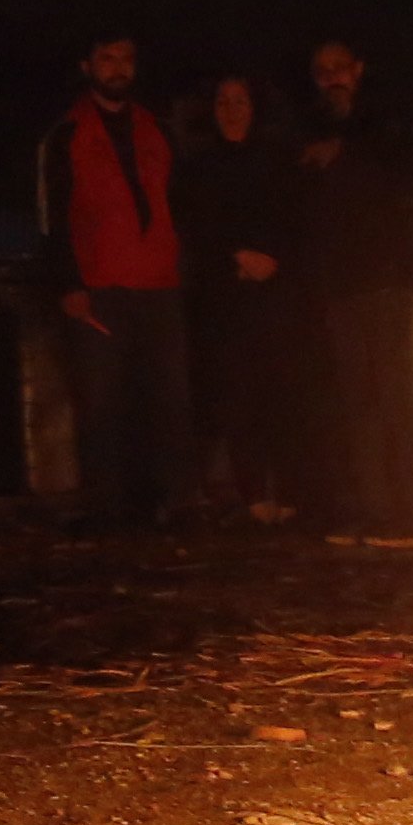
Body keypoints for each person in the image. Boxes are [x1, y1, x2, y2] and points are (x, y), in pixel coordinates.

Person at [35, 32, 195, 526]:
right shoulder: (66, 133)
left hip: (158, 282)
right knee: (102, 403)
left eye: (126, 57)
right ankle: (110, 505)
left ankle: (172, 501)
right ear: (87, 66)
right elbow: (51, 217)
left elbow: (180, 203)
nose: (119, 67)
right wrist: (67, 284)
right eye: (108, 58)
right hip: (99, 284)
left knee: (167, 398)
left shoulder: (157, 130)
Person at [300, 38, 413, 547]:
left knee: (391, 397)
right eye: (322, 70)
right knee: (355, 402)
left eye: (340, 68)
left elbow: (398, 170)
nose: (332, 77)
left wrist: (346, 149)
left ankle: (410, 512)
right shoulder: (309, 129)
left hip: (383, 278)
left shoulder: (385, 121)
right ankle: (372, 507)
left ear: (358, 70)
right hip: (339, 282)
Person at [178, 71, 310, 523]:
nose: (232, 109)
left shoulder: (277, 160)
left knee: (283, 391)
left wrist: (275, 260)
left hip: (277, 291)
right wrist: (234, 255)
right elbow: (197, 226)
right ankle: (254, 494)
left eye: (240, 100)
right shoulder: (200, 166)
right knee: (240, 395)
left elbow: (294, 219)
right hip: (227, 293)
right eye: (223, 101)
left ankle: (291, 493)